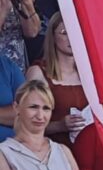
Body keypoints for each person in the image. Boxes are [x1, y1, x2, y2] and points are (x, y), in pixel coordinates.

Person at [28, 14, 90, 148]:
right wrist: (59, 126)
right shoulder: (39, 73)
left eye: (76, 32)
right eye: (64, 33)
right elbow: (26, 123)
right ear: (53, 37)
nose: (72, 37)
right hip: (54, 151)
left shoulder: (90, 74)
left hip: (90, 152)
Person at [0, 0, 41, 73]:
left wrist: (26, 0)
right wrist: (4, 10)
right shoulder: (7, 4)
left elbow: (32, 32)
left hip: (16, 71)